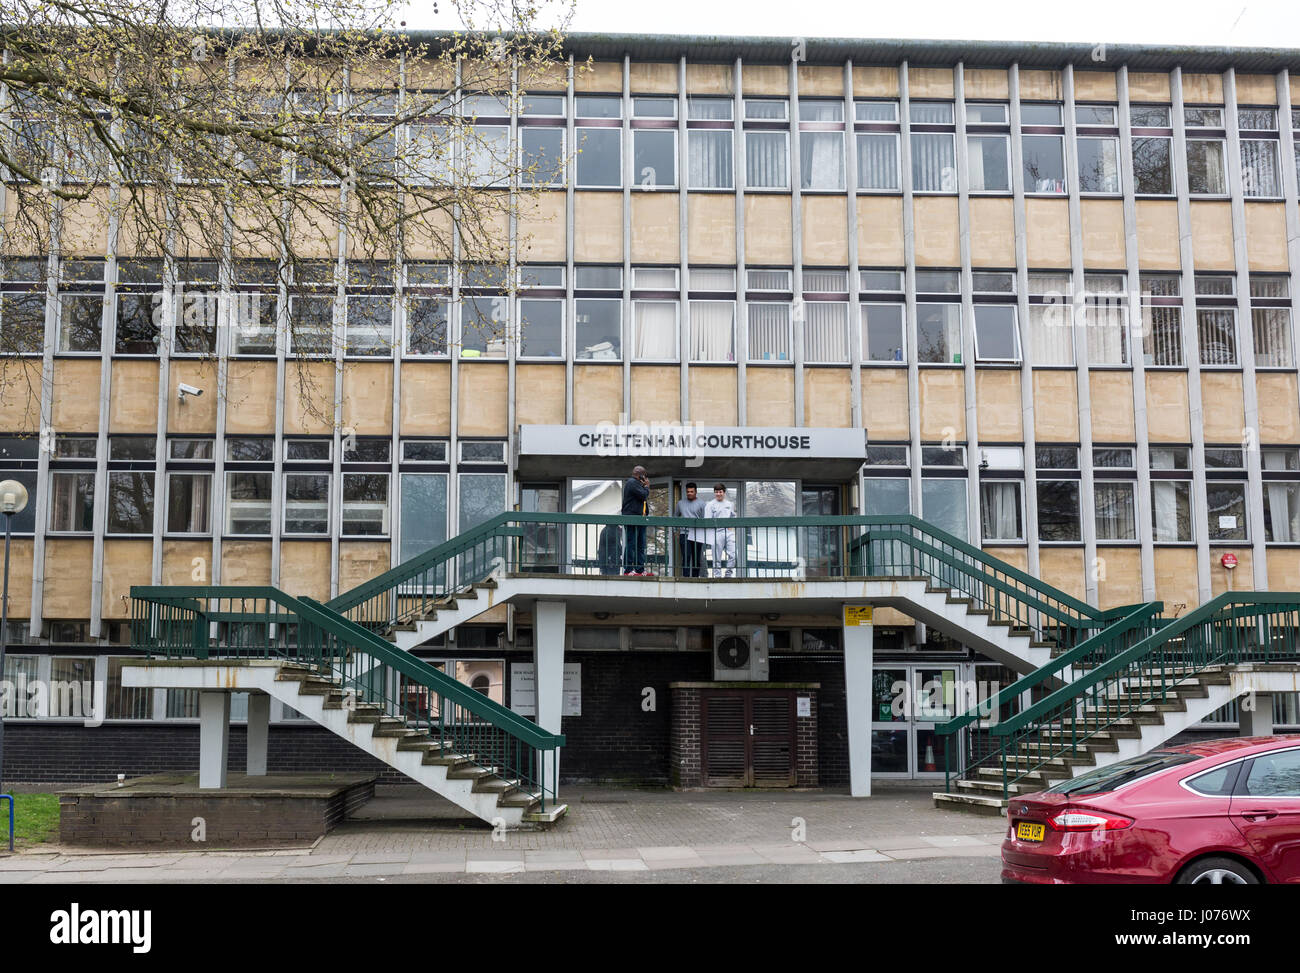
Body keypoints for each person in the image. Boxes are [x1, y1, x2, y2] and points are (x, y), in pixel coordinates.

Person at [621, 465, 651, 576]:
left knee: (640, 544)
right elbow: (643, 495)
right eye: (645, 476)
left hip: (640, 518)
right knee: (631, 543)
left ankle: (640, 569)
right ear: (641, 475)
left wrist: (643, 486)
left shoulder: (637, 484)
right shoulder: (632, 482)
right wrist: (647, 486)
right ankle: (628, 569)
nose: (646, 478)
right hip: (632, 518)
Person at [674, 482, 708, 577]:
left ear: (696, 492)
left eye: (691, 491)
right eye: (688, 491)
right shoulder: (680, 503)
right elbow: (675, 517)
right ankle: (685, 577)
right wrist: (675, 530)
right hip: (684, 534)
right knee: (686, 556)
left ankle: (695, 578)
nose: (689, 493)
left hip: (697, 534)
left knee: (696, 558)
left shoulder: (702, 504)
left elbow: (704, 520)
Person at [704, 483, 736, 577]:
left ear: (724, 492)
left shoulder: (730, 504)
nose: (718, 494)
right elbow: (707, 521)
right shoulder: (710, 505)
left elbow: (733, 517)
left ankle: (728, 575)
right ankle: (717, 576)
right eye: (716, 492)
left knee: (733, 555)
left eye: (720, 492)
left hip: (728, 532)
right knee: (717, 557)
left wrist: (730, 527)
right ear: (714, 493)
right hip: (716, 533)